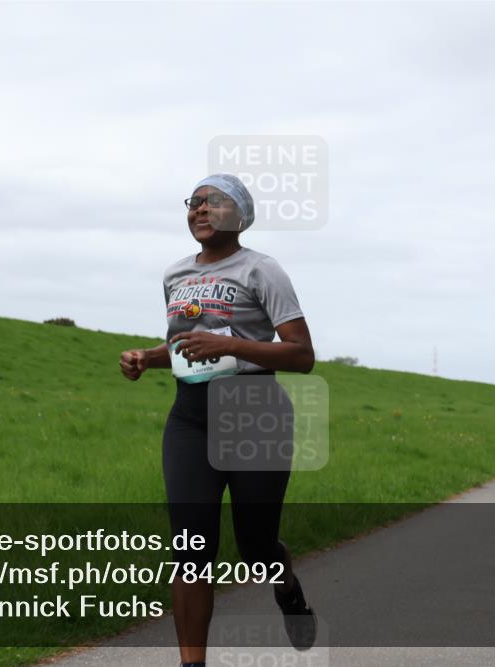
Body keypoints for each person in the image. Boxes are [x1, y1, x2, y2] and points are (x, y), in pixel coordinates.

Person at [119, 174, 316, 667]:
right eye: (194, 203)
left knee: (255, 549)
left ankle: (285, 585)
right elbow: (186, 347)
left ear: (241, 215)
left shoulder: (262, 270)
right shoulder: (175, 275)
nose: (200, 210)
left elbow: (301, 354)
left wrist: (229, 344)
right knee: (190, 548)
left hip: (255, 413)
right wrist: (148, 356)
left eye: (215, 202)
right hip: (191, 416)